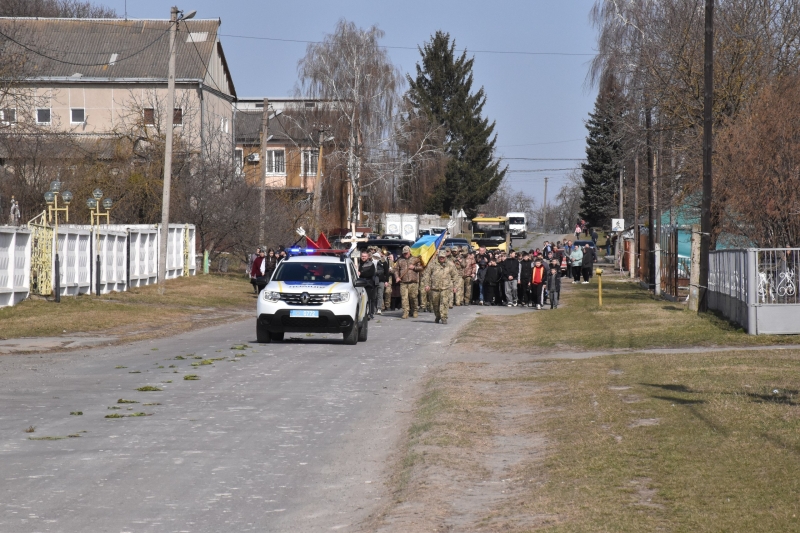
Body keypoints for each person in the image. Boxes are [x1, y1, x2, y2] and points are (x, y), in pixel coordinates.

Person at [422, 249, 459, 324]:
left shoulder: (450, 264)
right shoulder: (432, 264)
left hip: (445, 288)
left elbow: (455, 275)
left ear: (445, 257)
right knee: (435, 304)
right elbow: (427, 275)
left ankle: (444, 317)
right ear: (438, 257)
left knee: (444, 303)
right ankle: (438, 316)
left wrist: (455, 286)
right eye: (440, 257)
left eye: (443, 257)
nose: (441, 258)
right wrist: (427, 285)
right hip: (434, 288)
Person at [395, 245, 423, 319]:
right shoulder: (400, 260)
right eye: (404, 253)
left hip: (413, 282)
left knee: (413, 297)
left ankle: (415, 311)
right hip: (403, 282)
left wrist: (414, 267)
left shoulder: (415, 259)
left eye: (406, 253)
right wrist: (397, 277)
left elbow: (421, 268)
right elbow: (396, 270)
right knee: (404, 298)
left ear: (409, 252)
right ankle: (405, 312)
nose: (405, 254)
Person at [357, 250, 376, 319]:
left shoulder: (371, 264)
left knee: (369, 299)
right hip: (359, 284)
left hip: (368, 284)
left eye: (365, 256)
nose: (363, 257)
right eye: (362, 256)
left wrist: (361, 273)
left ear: (367, 257)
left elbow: (371, 273)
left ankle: (370, 313)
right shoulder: (357, 263)